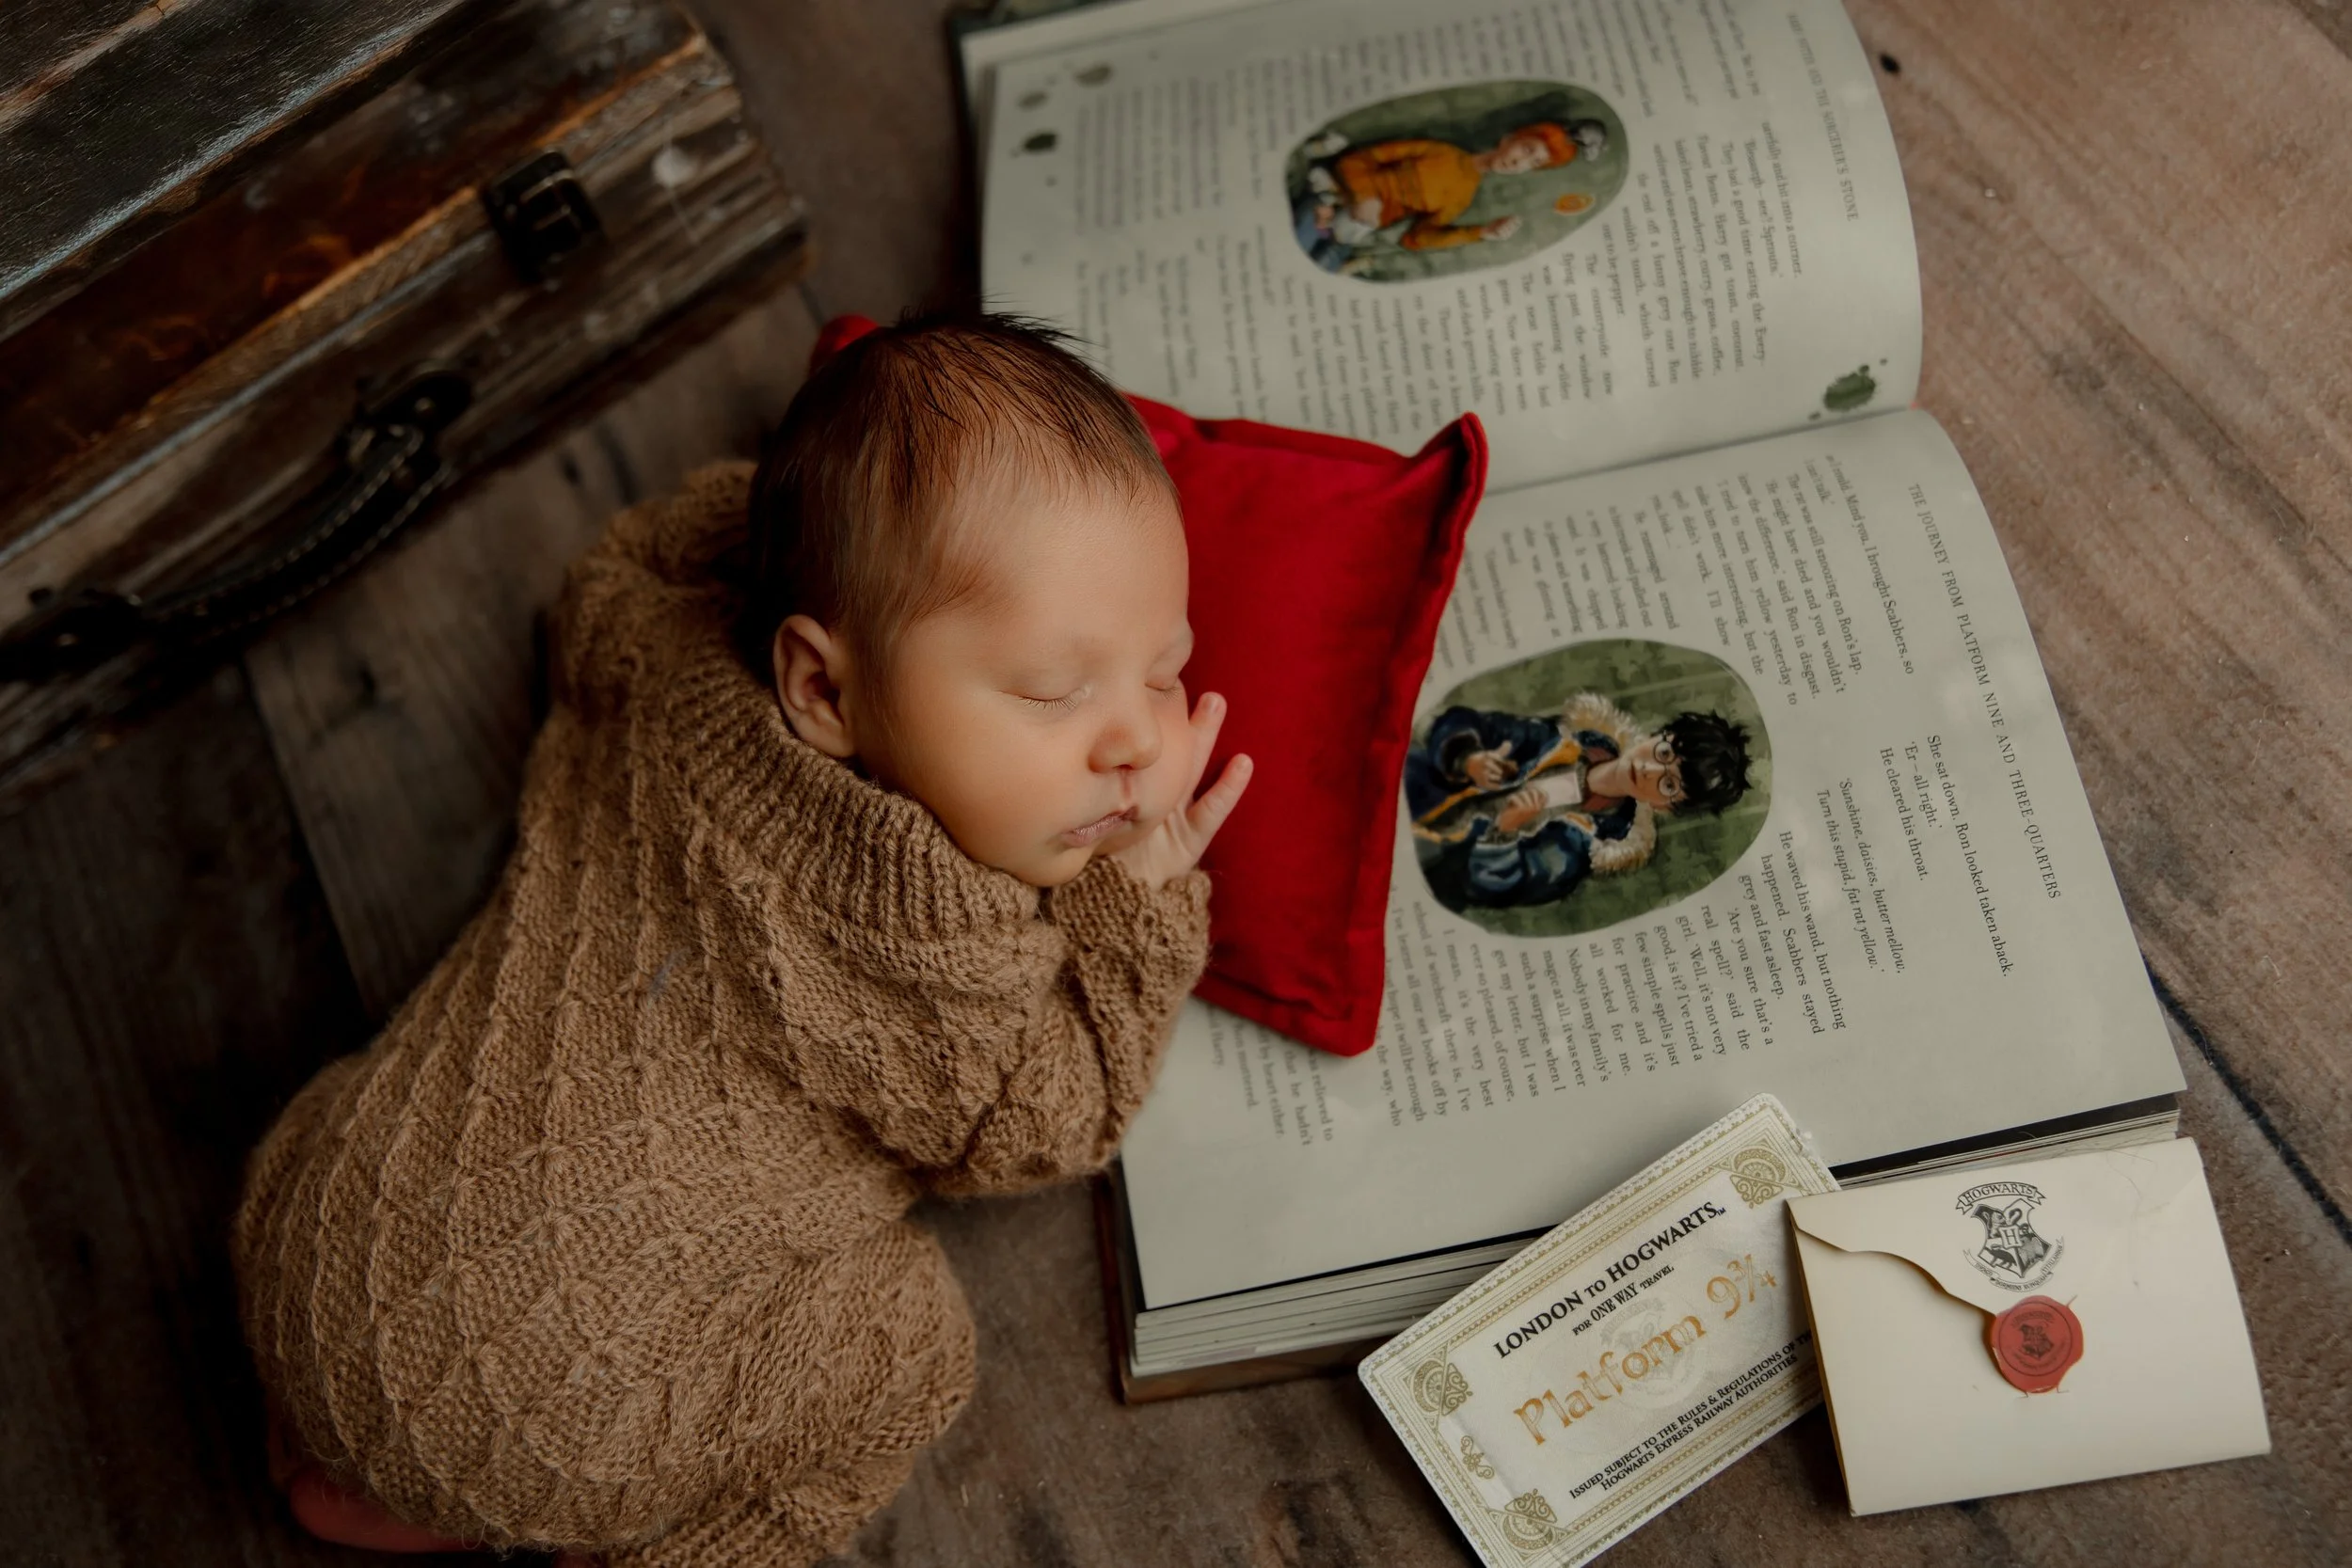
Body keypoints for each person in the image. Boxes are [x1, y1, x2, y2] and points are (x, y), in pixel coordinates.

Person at [232, 313, 1252, 1567]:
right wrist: (1136, 897)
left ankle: (359, 1465)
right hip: (562, 1416)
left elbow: (614, 568)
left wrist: (804, 547)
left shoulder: (656, 653)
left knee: (414, 1231)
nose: (1138, 743)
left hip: (317, 1231)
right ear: (819, 686)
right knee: (913, 1346)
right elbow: (1058, 1120)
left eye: (1167, 670)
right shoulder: (951, 962)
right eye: (1053, 691)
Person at [1407, 690, 1749, 910]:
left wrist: (1505, 832)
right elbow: (1463, 723)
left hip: (1432, 865)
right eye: (1662, 752)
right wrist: (1468, 758)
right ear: (1657, 735)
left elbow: (1501, 885)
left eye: (1669, 784)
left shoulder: (1586, 847)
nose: (1647, 769)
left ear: (1665, 807)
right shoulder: (1565, 739)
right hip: (1415, 787)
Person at [1295, 116, 1608, 271]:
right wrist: (1365, 195)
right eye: (1526, 149)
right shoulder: (1441, 153)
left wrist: (1481, 232)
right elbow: (1356, 161)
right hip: (1332, 203)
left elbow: (1415, 239)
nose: (1518, 163)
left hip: (1346, 239)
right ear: (1509, 138)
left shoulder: (1462, 197)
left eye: (1533, 163)